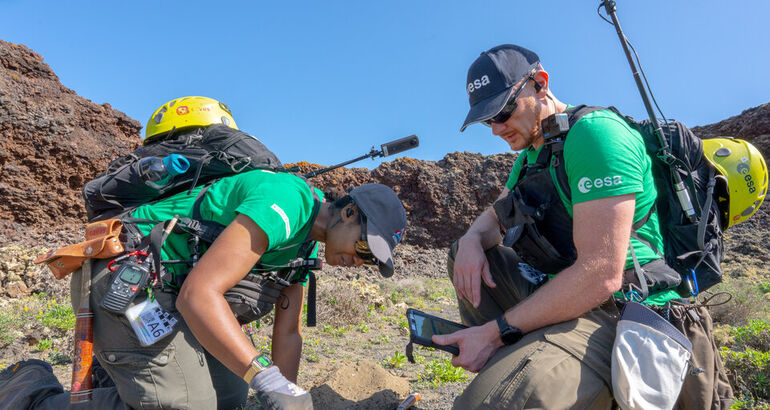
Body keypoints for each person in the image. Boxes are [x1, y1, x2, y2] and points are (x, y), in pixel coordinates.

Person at [0, 97, 408, 410]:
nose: (360, 261)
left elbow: (288, 332)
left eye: (371, 260)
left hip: (167, 296)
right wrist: (266, 378)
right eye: (363, 247)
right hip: (125, 276)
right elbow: (200, 295)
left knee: (228, 399)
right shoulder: (286, 200)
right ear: (349, 211)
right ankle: (29, 390)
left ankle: (121, 384)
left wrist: (285, 392)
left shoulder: (303, 249)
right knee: (183, 405)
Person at [432, 45, 732, 409]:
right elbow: (496, 216)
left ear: (540, 84)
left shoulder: (594, 135)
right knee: (467, 258)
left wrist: (495, 333)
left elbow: (601, 275)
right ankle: (520, 361)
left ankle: (525, 368)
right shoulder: (532, 155)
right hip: (567, 287)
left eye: (504, 111)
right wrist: (470, 241)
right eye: (486, 120)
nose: (496, 129)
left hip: (624, 304)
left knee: (490, 405)